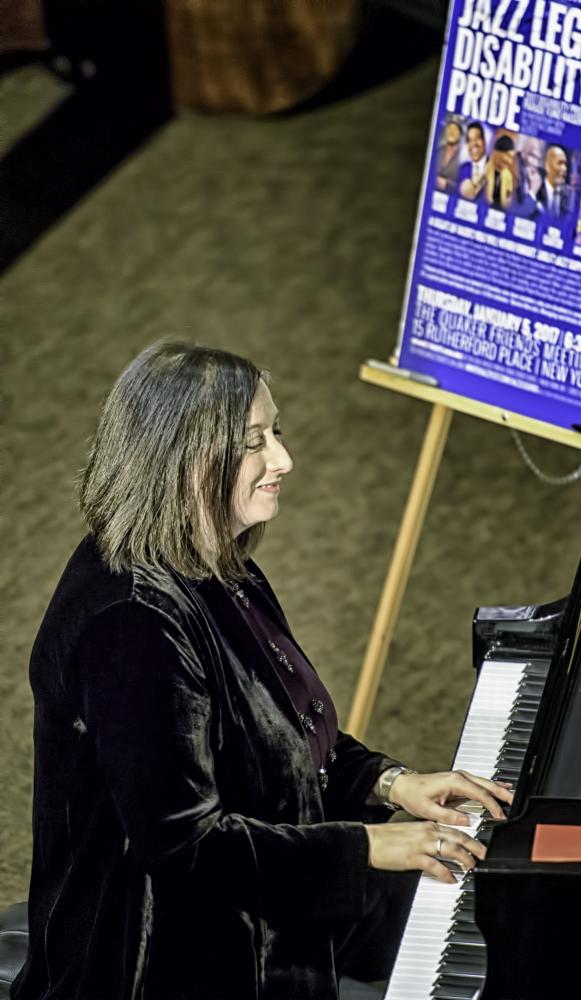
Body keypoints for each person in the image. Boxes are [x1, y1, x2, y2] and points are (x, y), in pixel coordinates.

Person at [13, 342, 512, 1000]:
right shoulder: (130, 626)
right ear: (183, 460)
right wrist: (363, 848)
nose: (283, 459)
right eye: (253, 442)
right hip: (157, 958)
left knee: (485, 917)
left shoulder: (218, 562)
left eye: (275, 432)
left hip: (262, 884)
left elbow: (276, 738)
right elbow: (186, 850)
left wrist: (388, 784)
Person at [537, 144, 576, 219]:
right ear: (547, 166)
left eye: (565, 164)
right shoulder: (535, 191)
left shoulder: (570, 195)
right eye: (560, 163)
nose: (564, 168)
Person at [458, 121, 487, 200]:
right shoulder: (462, 168)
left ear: (484, 141)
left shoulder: (494, 167)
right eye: (469, 140)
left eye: (477, 138)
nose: (473, 144)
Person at [434, 119, 462, 193]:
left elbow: (463, 187)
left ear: (460, 134)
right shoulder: (437, 150)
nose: (451, 132)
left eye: (455, 129)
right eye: (449, 128)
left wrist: (447, 184)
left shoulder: (463, 157)